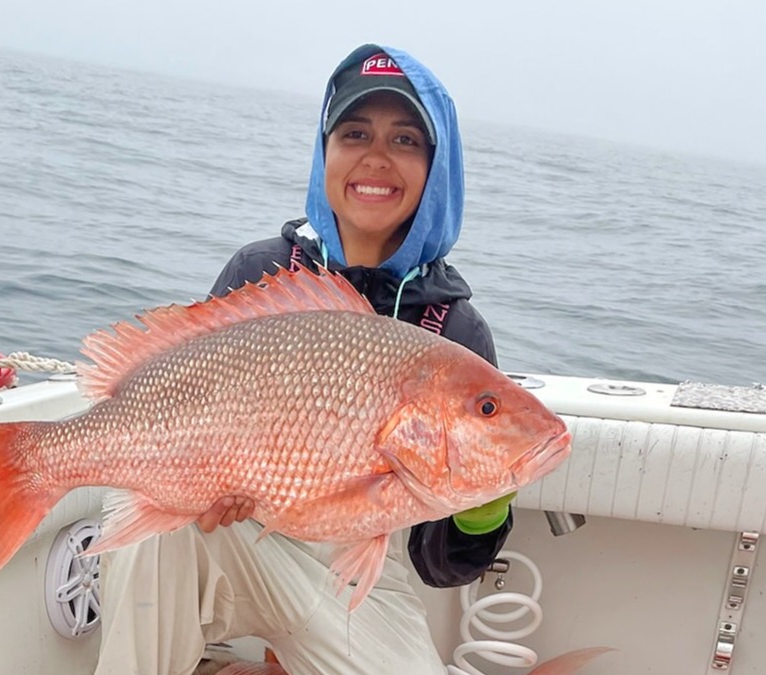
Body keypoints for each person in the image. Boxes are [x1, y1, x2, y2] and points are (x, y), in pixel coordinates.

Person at [94, 43, 514, 675]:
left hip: (354, 574)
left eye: (405, 139)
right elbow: (175, 390)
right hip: (237, 541)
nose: (375, 156)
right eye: (353, 132)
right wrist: (201, 482)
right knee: (152, 529)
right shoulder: (258, 272)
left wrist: (488, 498)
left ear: (438, 166)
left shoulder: (453, 329)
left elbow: (437, 564)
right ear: (326, 152)